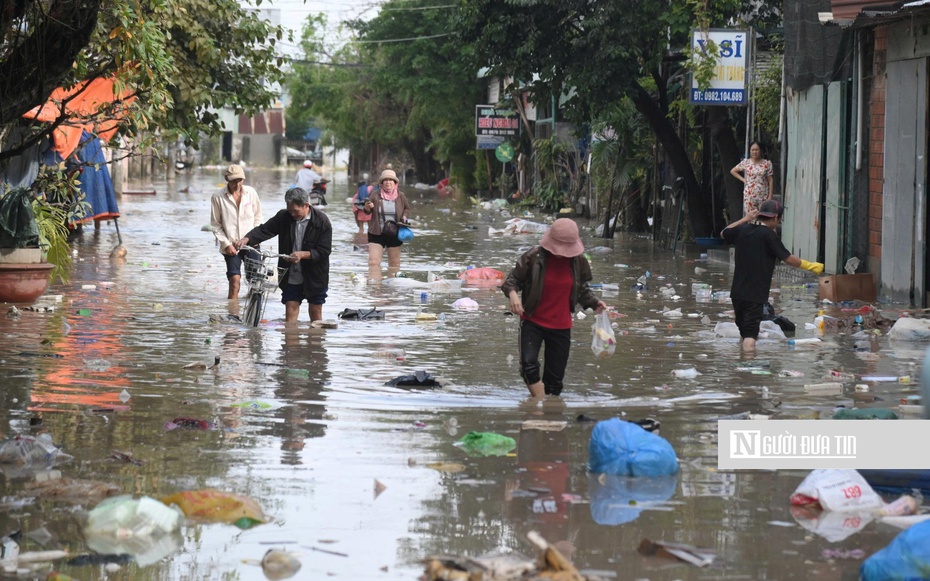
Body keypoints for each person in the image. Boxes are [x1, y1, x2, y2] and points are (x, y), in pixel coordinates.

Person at [501, 218, 608, 397]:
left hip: (561, 326)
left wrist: (595, 302)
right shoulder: (533, 257)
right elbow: (511, 281)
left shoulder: (578, 262)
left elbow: (581, 289)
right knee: (529, 366)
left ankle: (549, 412)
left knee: (555, 381)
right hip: (532, 321)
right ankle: (540, 405)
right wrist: (513, 295)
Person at [721, 199, 824, 352]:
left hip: (736, 293)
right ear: (776, 217)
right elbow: (788, 258)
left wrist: (746, 219)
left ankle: (741, 368)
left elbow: (724, 233)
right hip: (754, 294)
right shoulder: (768, 235)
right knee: (750, 337)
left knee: (744, 331)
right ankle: (748, 370)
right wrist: (810, 266)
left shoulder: (742, 230)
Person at [235, 187, 332, 323]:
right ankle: (290, 340)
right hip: (291, 273)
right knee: (290, 310)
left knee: (316, 314)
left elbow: (324, 250)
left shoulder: (322, 221)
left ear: (306, 205)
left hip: (315, 274)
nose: (292, 214)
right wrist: (247, 239)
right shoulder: (284, 216)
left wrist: (303, 254)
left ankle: (314, 342)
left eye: (296, 211)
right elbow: (265, 230)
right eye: (290, 210)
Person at [210, 164, 262, 300]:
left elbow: (258, 218)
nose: (237, 184)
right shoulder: (218, 197)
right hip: (231, 245)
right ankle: (232, 313)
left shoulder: (251, 193)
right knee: (234, 282)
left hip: (252, 244)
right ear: (227, 179)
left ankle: (252, 310)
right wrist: (227, 244)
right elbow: (215, 225)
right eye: (233, 181)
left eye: (239, 180)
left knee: (255, 282)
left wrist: (253, 237)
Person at [363, 169, 410, 279]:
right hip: (376, 232)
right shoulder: (375, 195)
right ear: (381, 183)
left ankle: (391, 287)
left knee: (394, 263)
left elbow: (407, 209)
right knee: (373, 262)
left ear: (395, 183)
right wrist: (367, 207)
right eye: (385, 180)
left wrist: (404, 216)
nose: (388, 182)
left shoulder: (400, 196)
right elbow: (367, 211)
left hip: (394, 232)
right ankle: (375, 287)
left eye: (390, 180)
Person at [730, 141, 774, 215]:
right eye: (752, 150)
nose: (754, 152)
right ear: (750, 151)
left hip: (763, 195)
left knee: (763, 216)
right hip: (749, 196)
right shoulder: (746, 163)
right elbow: (733, 171)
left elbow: (770, 180)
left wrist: (770, 196)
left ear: (760, 151)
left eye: (756, 150)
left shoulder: (767, 163)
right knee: (750, 217)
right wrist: (743, 180)